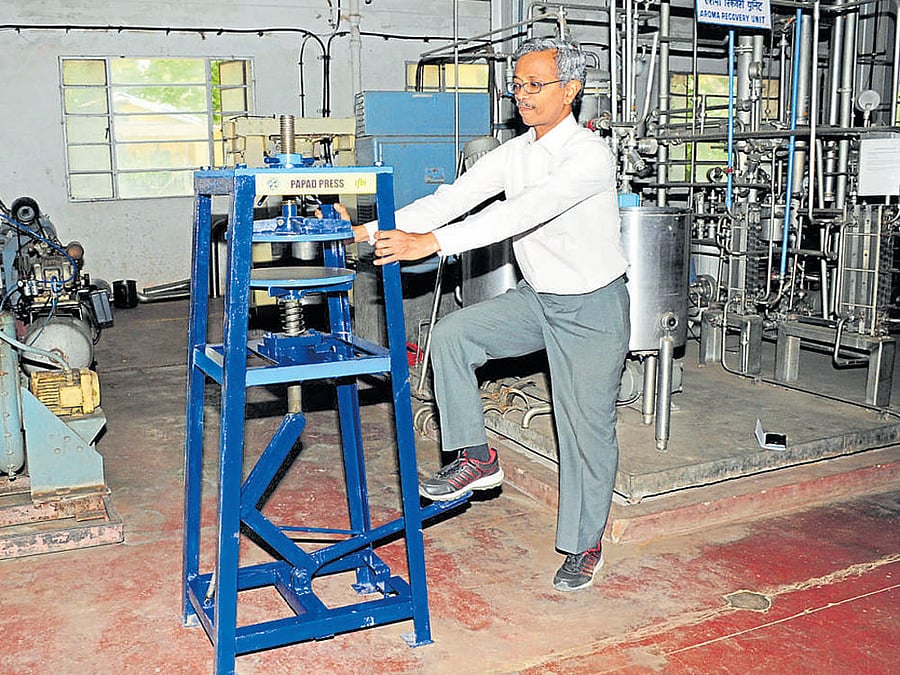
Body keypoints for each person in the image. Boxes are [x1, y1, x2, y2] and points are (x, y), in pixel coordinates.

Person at [353, 35, 630, 592]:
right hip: (538, 298)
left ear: (571, 90)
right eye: (517, 85)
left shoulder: (588, 156)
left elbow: (516, 215)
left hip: (592, 306)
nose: (522, 95)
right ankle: (476, 457)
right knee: (452, 336)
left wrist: (430, 243)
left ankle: (585, 544)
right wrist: (367, 232)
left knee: (584, 430)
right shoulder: (516, 152)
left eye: (535, 85)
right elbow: (453, 198)